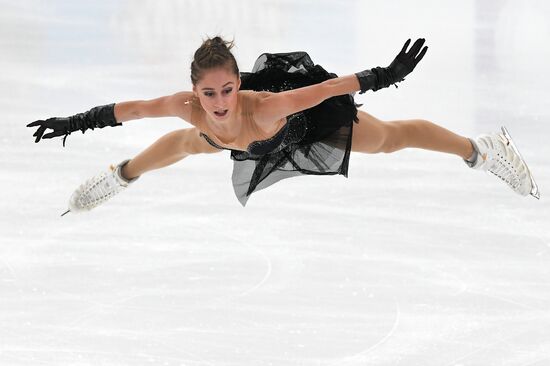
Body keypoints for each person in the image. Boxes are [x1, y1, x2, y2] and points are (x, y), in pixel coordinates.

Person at [26, 36, 539, 216]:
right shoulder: (189, 107)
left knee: (389, 140)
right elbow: (131, 110)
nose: (221, 101)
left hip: (305, 125)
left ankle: (484, 150)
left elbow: (325, 90)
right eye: (209, 93)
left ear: (238, 83)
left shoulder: (264, 105)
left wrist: (386, 75)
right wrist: (71, 122)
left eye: (227, 89)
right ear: (195, 91)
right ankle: (117, 177)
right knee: (188, 141)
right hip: (230, 139)